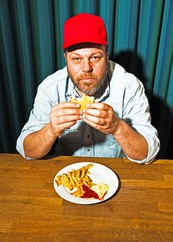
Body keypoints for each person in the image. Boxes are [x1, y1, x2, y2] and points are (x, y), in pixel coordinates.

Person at [16, 13, 160, 164]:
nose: (86, 68)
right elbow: (27, 151)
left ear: (107, 56)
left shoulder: (129, 86)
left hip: (117, 172)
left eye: (95, 57)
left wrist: (117, 127)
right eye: (77, 59)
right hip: (66, 173)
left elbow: (148, 154)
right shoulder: (50, 88)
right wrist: (50, 130)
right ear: (66, 58)